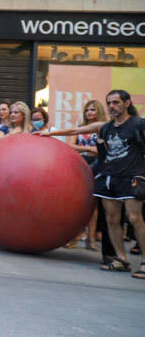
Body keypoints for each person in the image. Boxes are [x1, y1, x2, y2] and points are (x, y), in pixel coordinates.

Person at [39, 90, 145, 277]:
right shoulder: (105, 126)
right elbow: (75, 131)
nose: (112, 106)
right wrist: (49, 133)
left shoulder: (138, 124)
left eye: (116, 102)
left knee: (135, 219)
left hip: (131, 177)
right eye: (109, 103)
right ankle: (121, 259)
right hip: (109, 177)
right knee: (111, 220)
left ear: (127, 103)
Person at [70, 99, 105, 250]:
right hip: (79, 165)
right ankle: (74, 237)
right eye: (87, 110)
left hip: (97, 166)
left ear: (99, 111)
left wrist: (86, 149)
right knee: (77, 203)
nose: (89, 113)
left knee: (93, 204)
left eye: (92, 110)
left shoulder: (103, 128)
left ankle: (91, 238)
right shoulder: (80, 128)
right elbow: (70, 145)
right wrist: (90, 149)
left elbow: (101, 150)